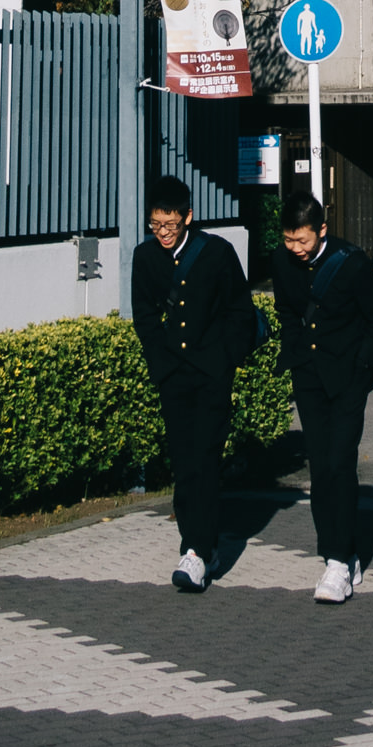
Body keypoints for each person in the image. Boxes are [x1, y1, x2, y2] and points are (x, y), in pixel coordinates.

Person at [269, 188, 373, 605]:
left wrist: (360, 368)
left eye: (303, 240)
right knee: (320, 467)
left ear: (321, 229)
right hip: (308, 379)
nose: (296, 249)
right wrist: (293, 354)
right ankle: (335, 550)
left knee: (341, 463)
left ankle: (339, 561)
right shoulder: (281, 261)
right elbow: (287, 313)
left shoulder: (353, 264)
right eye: (289, 240)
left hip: (347, 380)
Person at [130, 174, 258, 592]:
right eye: (155, 225)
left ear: (188, 216)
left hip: (211, 376)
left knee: (204, 460)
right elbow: (145, 320)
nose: (163, 233)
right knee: (184, 464)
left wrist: (226, 361)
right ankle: (202, 547)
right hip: (174, 379)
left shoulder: (216, 253)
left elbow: (241, 312)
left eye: (170, 225)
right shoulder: (144, 257)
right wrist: (164, 368)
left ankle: (197, 551)